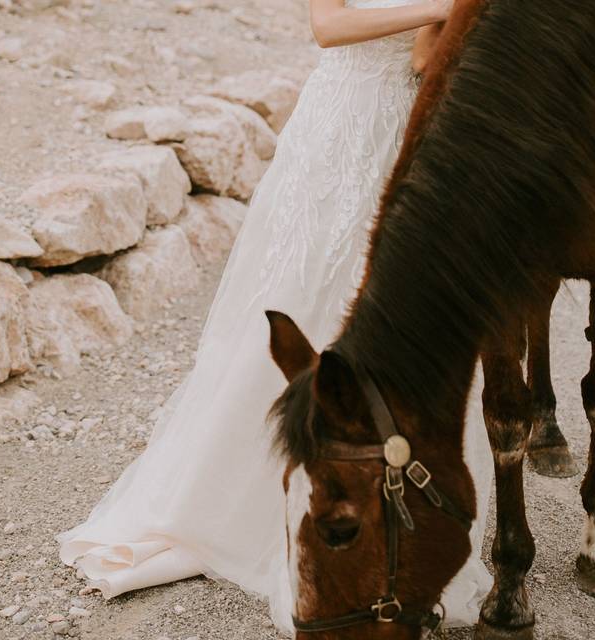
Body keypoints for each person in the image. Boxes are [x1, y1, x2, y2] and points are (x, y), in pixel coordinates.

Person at [58, 0, 494, 632]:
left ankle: (384, 494)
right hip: (339, 126)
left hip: (410, 124)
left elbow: (439, 47)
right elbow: (328, 27)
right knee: (298, 291)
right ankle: (251, 493)